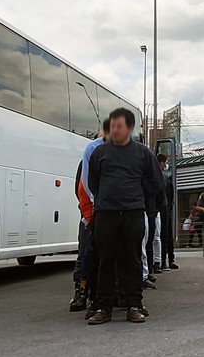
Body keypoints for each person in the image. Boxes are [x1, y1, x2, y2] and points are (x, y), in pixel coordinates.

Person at [86, 108, 164, 325]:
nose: (115, 130)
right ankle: (103, 307)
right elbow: (93, 182)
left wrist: (135, 196)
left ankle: (134, 305)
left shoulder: (143, 153)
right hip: (106, 215)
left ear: (129, 128)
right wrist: (106, 199)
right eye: (112, 126)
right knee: (105, 261)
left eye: (119, 126)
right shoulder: (99, 153)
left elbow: (156, 183)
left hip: (132, 214)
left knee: (132, 260)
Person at [70, 119, 109, 313]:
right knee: (85, 255)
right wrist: (88, 215)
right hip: (90, 215)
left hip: (104, 214)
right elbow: (82, 188)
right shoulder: (87, 158)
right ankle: (81, 292)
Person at [157, 154, 178, 270]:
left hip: (164, 210)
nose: (166, 165)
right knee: (164, 236)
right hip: (163, 210)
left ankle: (168, 260)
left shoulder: (164, 179)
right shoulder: (163, 179)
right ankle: (166, 261)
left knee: (166, 236)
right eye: (165, 162)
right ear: (161, 162)